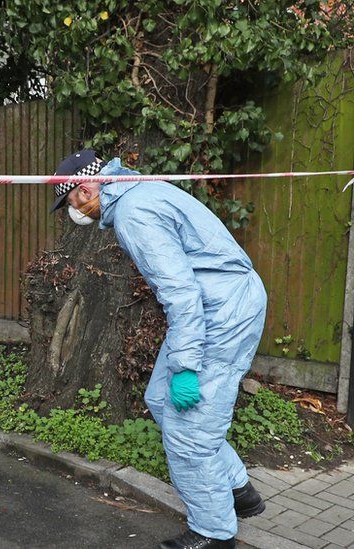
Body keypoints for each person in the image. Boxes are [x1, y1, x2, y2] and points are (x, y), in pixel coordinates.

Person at [51, 150, 268, 549]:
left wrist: (185, 366)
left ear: (83, 191)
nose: (74, 214)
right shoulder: (138, 191)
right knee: (159, 398)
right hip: (215, 301)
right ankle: (238, 491)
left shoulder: (134, 212)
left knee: (190, 430)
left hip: (220, 309)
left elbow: (180, 293)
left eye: (69, 204)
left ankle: (214, 533)